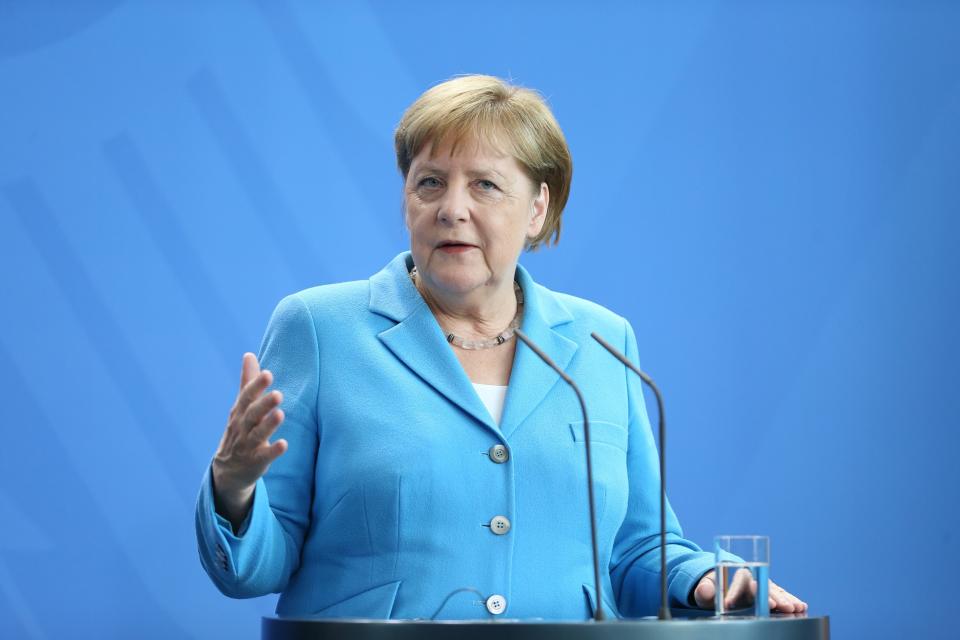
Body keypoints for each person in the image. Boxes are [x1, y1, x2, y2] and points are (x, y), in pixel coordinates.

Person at [195, 74, 807, 619]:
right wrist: (235, 487)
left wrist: (704, 578)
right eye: (429, 182)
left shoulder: (602, 342)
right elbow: (259, 566)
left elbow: (637, 549)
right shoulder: (321, 328)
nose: (451, 209)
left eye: (485, 185)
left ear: (538, 207)